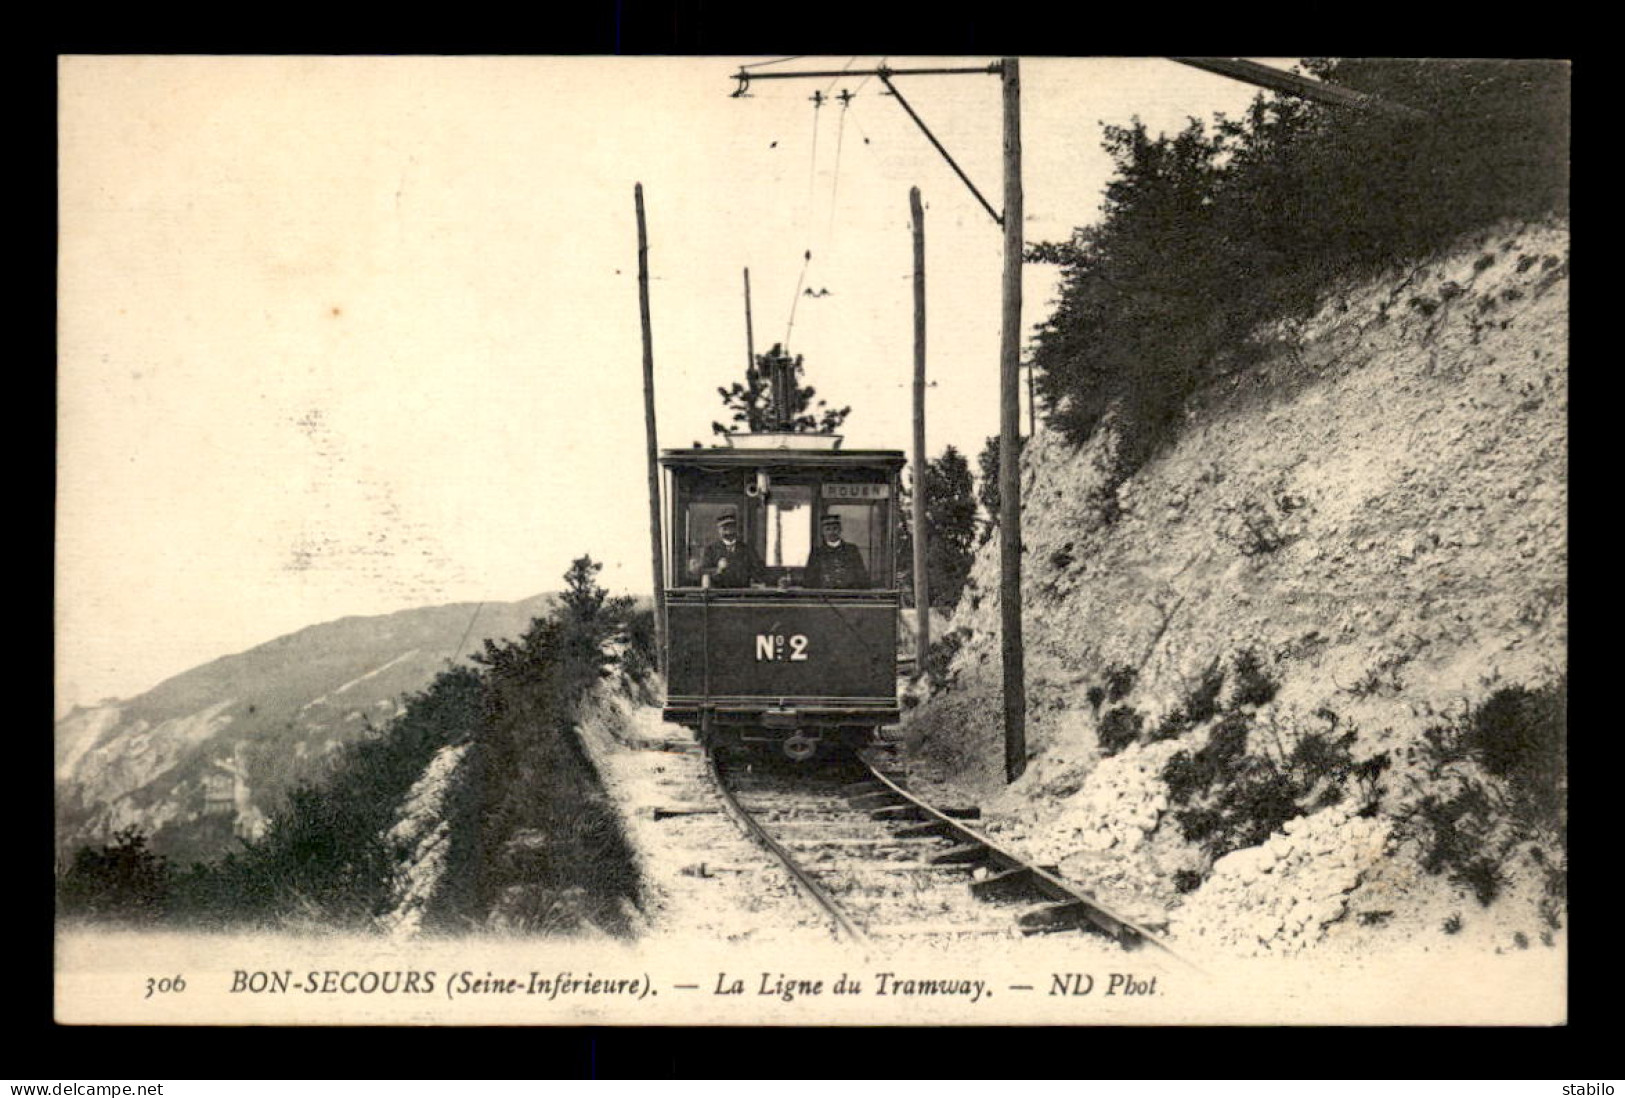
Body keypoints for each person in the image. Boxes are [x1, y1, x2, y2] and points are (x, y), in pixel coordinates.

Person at [699, 510, 767, 588]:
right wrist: (718, 569)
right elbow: (703, 571)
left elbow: (758, 571)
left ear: (735, 529)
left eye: (730, 527)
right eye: (724, 528)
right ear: (719, 530)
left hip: (742, 595)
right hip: (718, 596)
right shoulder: (711, 549)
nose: (728, 531)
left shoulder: (747, 550)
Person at [803, 512, 870, 589]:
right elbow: (809, 580)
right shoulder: (817, 553)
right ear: (822, 532)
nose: (831, 532)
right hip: (823, 597)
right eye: (827, 529)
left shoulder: (851, 550)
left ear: (840, 530)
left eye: (835, 529)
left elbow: (861, 576)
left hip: (848, 596)